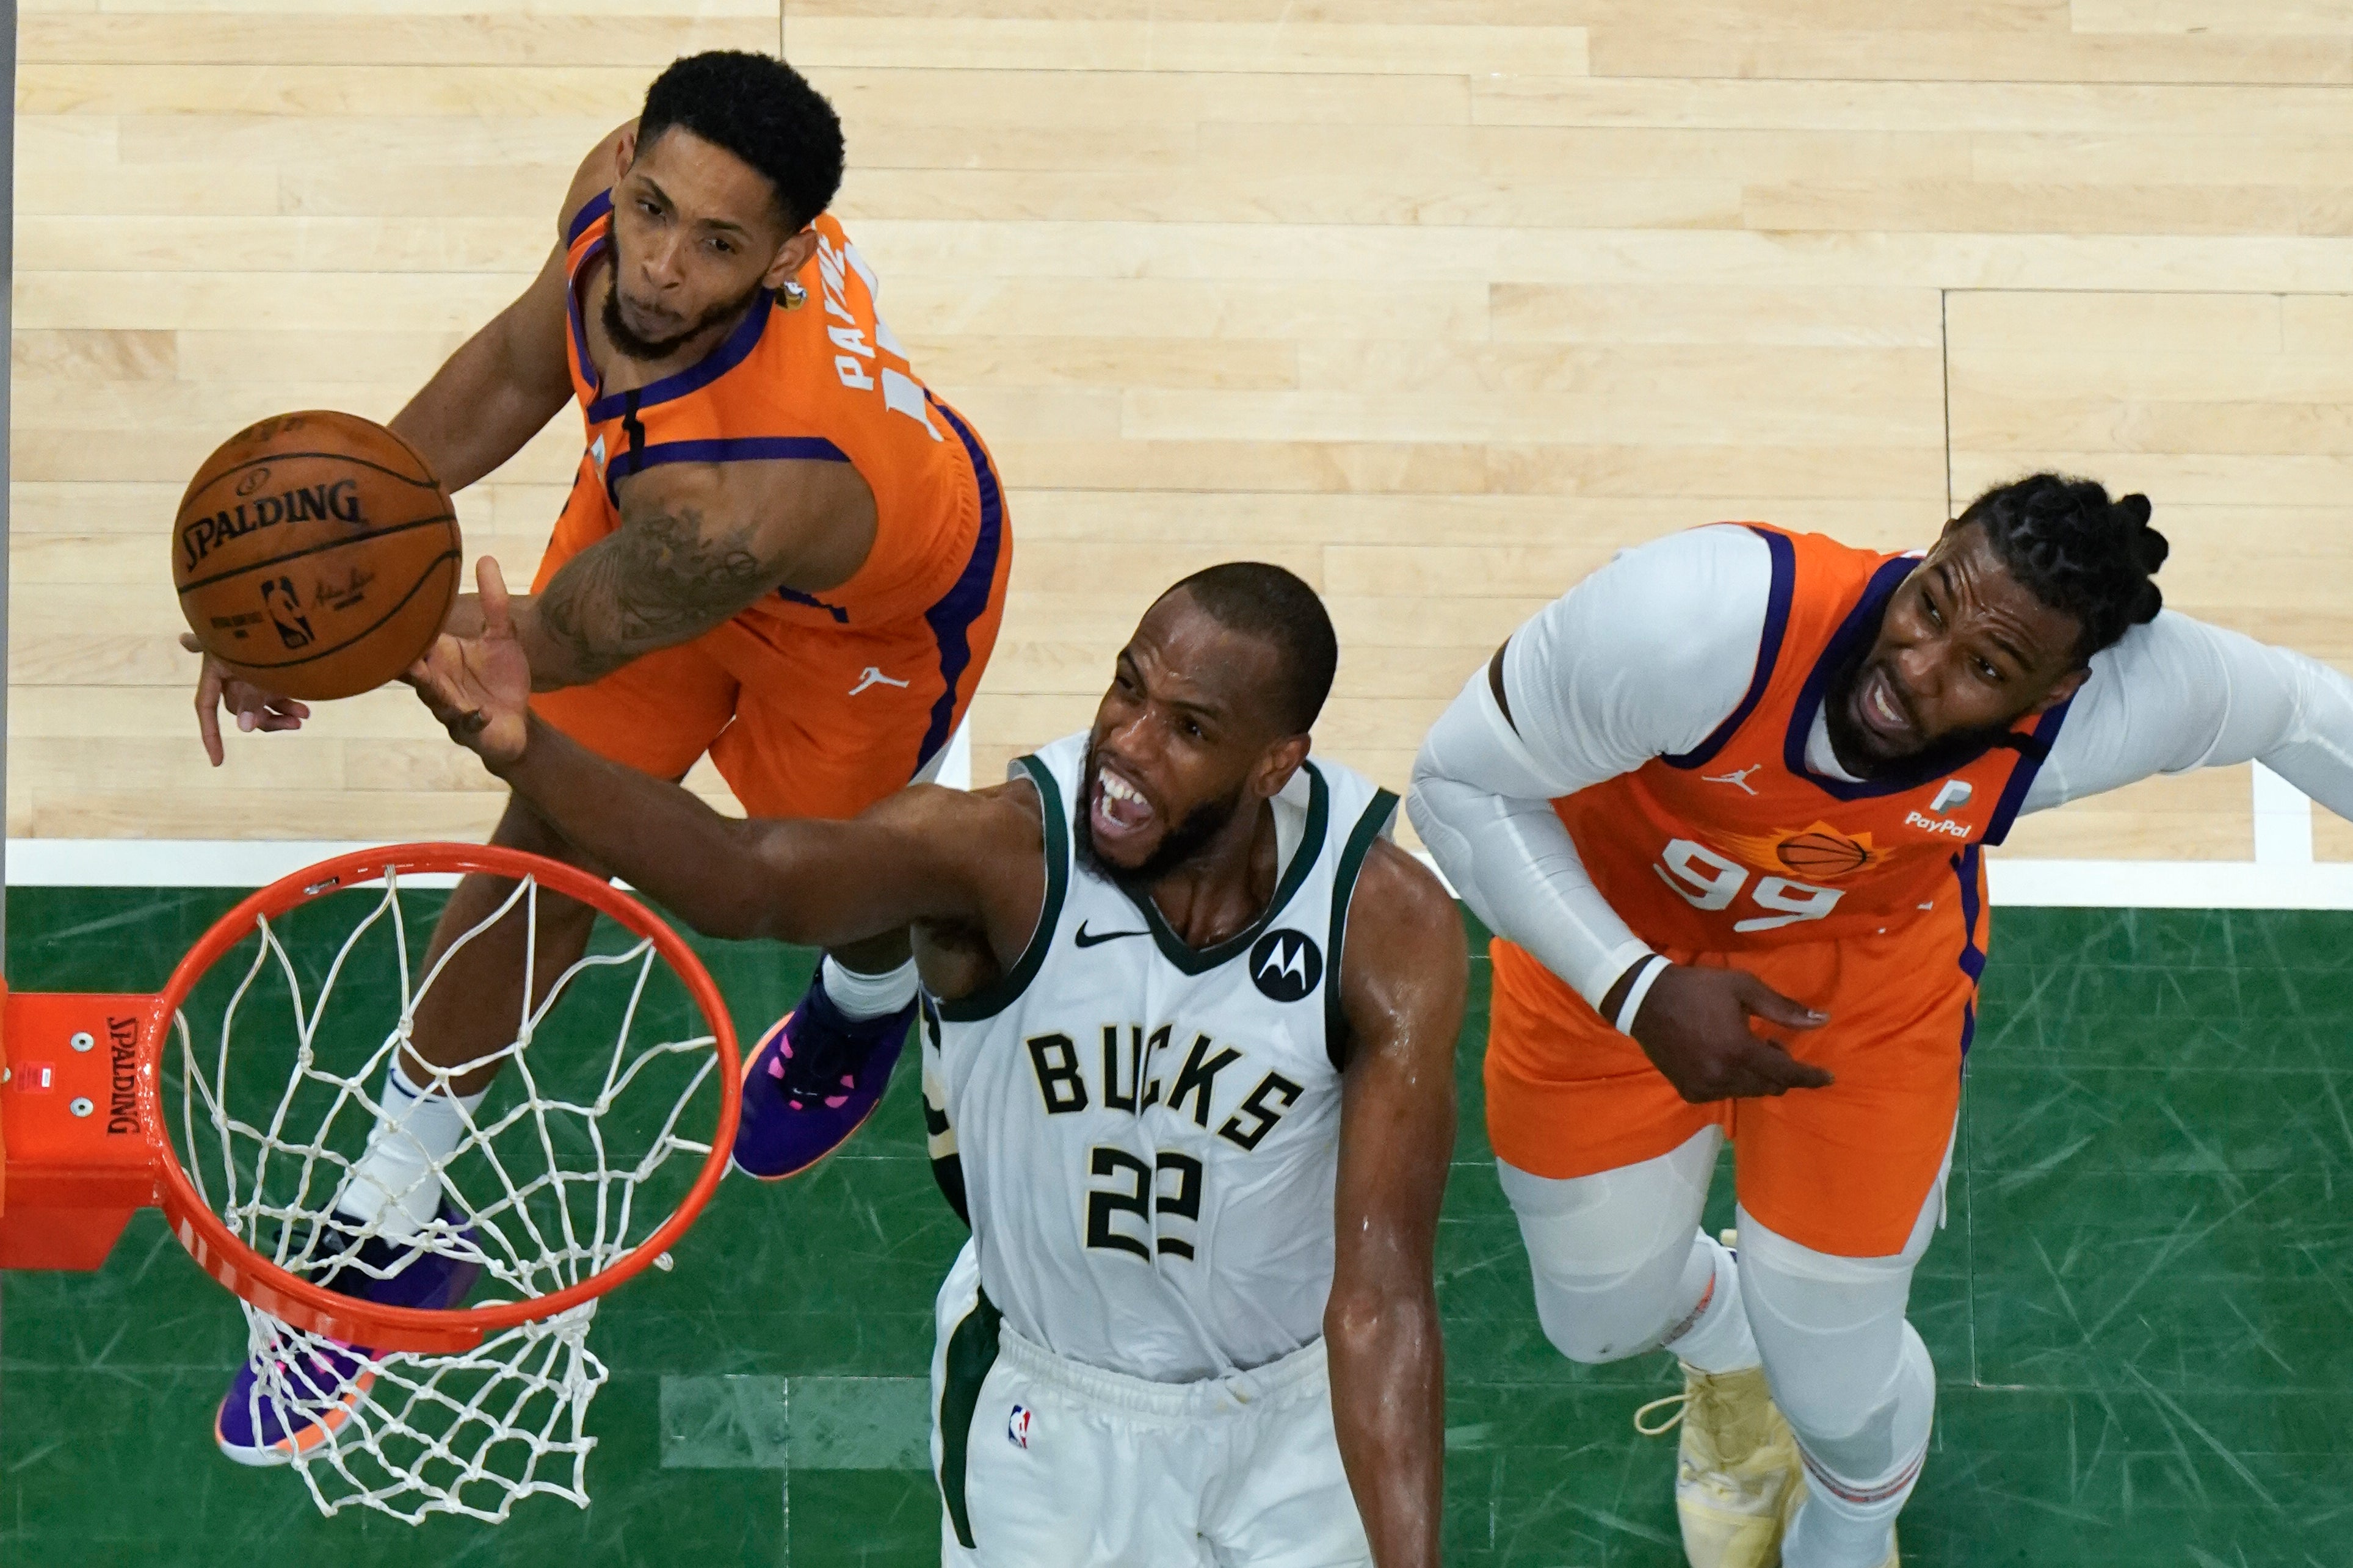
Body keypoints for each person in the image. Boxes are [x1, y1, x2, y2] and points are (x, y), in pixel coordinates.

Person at [191, 51, 1012, 1462]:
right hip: (654, 533)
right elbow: (519, 363)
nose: (658, 264)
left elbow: (554, 643)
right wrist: (319, 551)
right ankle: (396, 1201)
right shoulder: (604, 215)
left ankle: (865, 1003)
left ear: (787, 254)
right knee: (551, 831)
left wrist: (310, 630)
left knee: (834, 878)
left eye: (717, 245)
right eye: (649, 208)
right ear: (628, 158)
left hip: (866, 621)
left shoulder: (756, 495)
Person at [404, 556, 1463, 1565]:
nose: (1128, 746)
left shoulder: (1383, 923)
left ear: (1277, 761)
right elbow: (749, 877)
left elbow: (1380, 1298)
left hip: (1293, 1414)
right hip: (1052, 1415)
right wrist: (523, 746)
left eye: (1188, 730)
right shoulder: (999, 854)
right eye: (1125, 689)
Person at [1407, 474, 2353, 1568]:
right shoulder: (1701, 618)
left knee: (1837, 1371)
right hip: (1606, 951)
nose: (1915, 671)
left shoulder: (2110, 712)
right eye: (1932, 603)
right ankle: (1727, 1353)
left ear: (2055, 690)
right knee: (1597, 1321)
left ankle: (1846, 1529)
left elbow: (2297, 710)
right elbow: (1455, 785)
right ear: (1930, 547)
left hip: (1861, 995)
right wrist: (1637, 988)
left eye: (1985, 669)